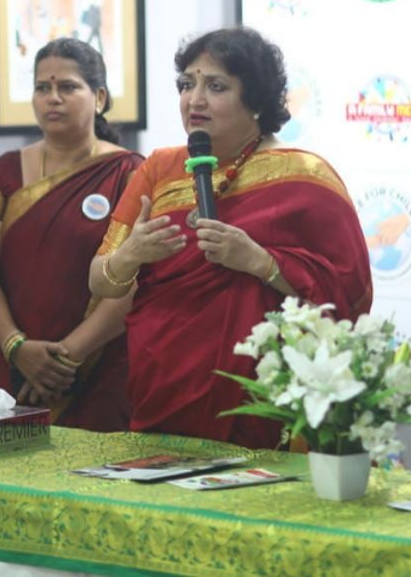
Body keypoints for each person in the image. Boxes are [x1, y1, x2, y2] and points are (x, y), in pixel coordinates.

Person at [87, 27, 372, 449]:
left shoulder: (306, 177)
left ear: (255, 99)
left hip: (262, 395)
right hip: (163, 383)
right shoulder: (159, 170)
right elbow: (99, 280)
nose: (194, 99)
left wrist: (261, 262)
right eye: (187, 84)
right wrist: (130, 255)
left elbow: (349, 292)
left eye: (215, 86)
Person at [0, 38, 141, 431]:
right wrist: (16, 346)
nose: (53, 98)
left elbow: (135, 282)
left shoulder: (129, 173)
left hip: (98, 367)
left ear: (98, 97)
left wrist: (66, 358)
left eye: (68, 87)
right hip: (13, 364)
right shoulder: (7, 170)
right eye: (42, 88)